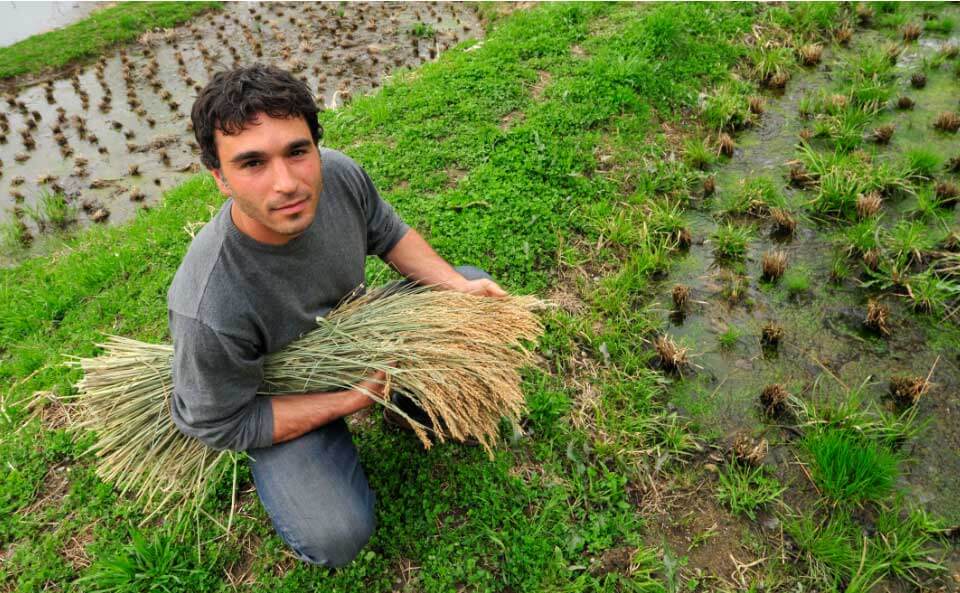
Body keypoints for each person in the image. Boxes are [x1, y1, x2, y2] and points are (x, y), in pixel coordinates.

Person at [167, 64, 506, 568]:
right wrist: (351, 399)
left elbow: (388, 233)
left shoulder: (340, 176)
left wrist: (456, 288)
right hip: (281, 390)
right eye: (253, 163)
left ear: (316, 145)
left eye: (297, 152)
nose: (286, 183)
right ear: (219, 177)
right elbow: (223, 423)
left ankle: (412, 406)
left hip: (357, 337)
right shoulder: (207, 306)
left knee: (468, 298)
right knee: (336, 535)